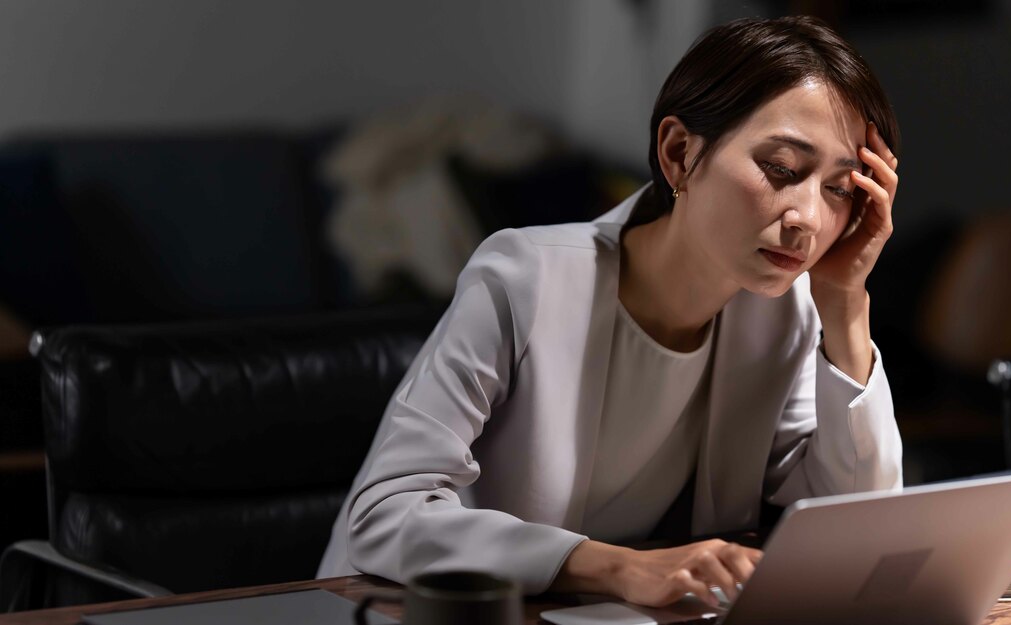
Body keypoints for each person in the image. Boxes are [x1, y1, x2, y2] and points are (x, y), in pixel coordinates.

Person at [318, 15, 903, 610]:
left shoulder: (784, 313)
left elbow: (856, 526)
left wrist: (846, 305)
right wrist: (619, 568)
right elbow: (385, 513)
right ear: (679, 153)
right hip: (400, 608)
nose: (807, 216)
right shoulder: (526, 276)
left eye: (839, 188)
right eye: (781, 168)